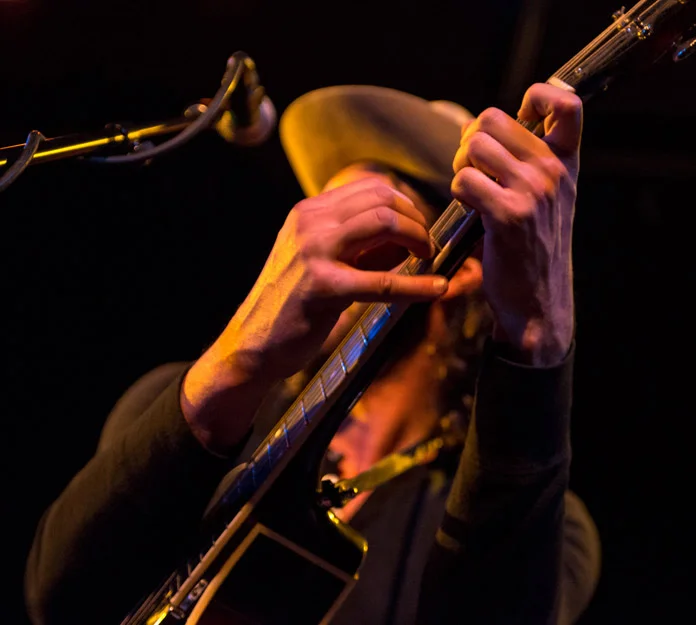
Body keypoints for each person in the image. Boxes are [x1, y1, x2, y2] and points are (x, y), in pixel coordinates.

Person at [24, 82, 601, 625]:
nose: (317, 245)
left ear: (461, 273)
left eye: (367, 219)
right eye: (321, 214)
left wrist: (536, 341)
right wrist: (236, 357)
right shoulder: (191, 407)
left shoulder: (544, 524)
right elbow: (61, 601)